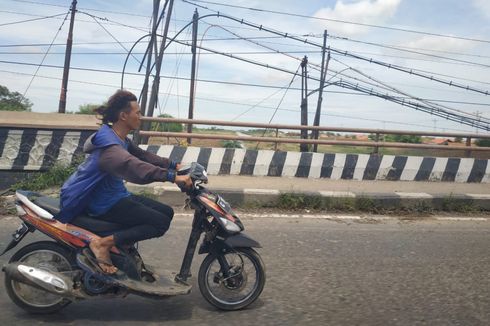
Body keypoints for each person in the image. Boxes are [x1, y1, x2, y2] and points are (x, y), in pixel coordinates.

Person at [56, 90, 192, 274]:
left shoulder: (119, 138)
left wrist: (174, 166)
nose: (140, 117)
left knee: (166, 212)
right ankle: (103, 244)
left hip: (116, 196)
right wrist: (171, 177)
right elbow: (133, 165)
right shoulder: (110, 147)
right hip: (102, 203)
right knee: (159, 223)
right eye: (137, 113)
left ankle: (120, 248)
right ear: (123, 116)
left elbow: (142, 155)